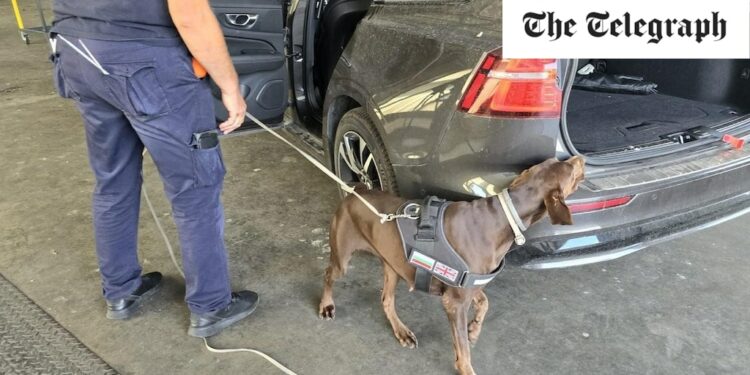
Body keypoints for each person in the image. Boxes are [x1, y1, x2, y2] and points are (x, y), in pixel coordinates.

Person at [50, 0, 258, 337]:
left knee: (113, 180)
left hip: (77, 51)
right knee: (195, 189)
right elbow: (190, 15)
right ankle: (211, 306)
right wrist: (230, 87)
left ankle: (120, 291)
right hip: (146, 63)